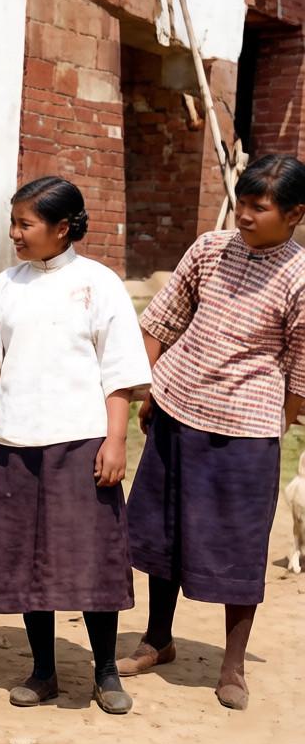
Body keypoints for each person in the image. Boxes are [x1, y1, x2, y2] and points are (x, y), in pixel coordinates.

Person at [0, 176, 150, 715]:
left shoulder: (99, 284)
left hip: (81, 445)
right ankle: (43, 672)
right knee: (25, 562)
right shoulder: (5, 286)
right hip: (13, 442)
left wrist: (115, 439)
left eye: (25, 224)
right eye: (12, 223)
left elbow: (120, 372)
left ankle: (105, 672)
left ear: (62, 228)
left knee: (92, 561)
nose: (14, 234)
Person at [119, 154, 305, 710]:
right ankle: (158, 639)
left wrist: (278, 422)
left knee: (239, 545)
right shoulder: (208, 249)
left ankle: (232, 664)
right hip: (175, 409)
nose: (245, 216)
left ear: (295, 214)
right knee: (162, 529)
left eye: (260, 208)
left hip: (246, 431)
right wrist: (144, 387)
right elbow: (161, 321)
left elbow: (300, 371)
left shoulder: (301, 277)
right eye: (242, 203)